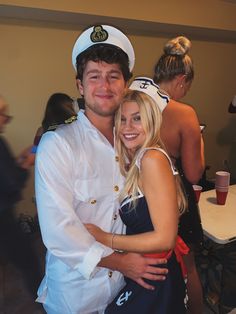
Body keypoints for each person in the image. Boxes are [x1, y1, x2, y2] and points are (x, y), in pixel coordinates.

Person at [35, 24, 168, 314]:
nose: (104, 86)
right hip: (76, 296)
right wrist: (121, 261)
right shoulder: (58, 144)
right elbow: (59, 231)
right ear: (80, 86)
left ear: (125, 84)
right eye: (94, 76)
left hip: (124, 289)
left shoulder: (136, 144)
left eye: (113, 76)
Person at [85, 85, 189, 313]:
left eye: (136, 119)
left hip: (157, 271)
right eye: (122, 120)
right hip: (147, 267)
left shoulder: (151, 158)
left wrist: (104, 238)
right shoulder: (137, 160)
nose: (127, 127)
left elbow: (165, 238)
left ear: (151, 121)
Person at [152, 36, 205, 313]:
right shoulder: (184, 113)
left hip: (141, 195)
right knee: (189, 264)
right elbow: (195, 173)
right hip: (174, 196)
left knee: (151, 262)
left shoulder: (136, 103)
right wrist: (199, 139)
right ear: (182, 79)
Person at [0, 95, 42, 299]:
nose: (7, 119)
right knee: (28, 262)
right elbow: (11, 182)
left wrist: (17, 162)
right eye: (2, 113)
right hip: (3, 218)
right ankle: (46, 303)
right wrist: (26, 164)